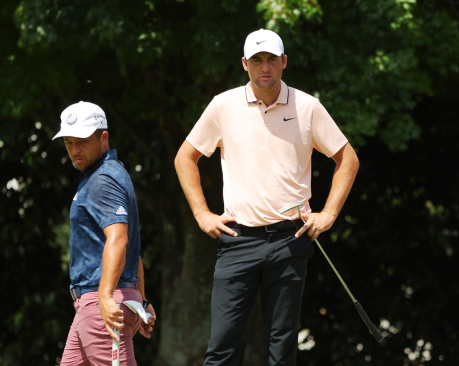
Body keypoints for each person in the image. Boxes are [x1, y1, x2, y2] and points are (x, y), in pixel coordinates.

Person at [174, 29, 359, 365]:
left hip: (291, 238)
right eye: (257, 60)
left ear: (284, 62)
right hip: (238, 239)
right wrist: (202, 214)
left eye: (272, 59)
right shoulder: (223, 105)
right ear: (244, 64)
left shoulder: (308, 106)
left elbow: (347, 159)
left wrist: (329, 214)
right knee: (222, 347)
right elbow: (185, 157)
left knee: (282, 347)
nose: (265, 67)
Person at [53, 101, 156, 365]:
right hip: (100, 303)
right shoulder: (108, 173)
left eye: (82, 142)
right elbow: (132, 250)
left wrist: (105, 296)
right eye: (68, 143)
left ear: (103, 137)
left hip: (102, 305)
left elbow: (119, 241)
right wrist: (141, 300)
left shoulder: (102, 179)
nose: (74, 150)